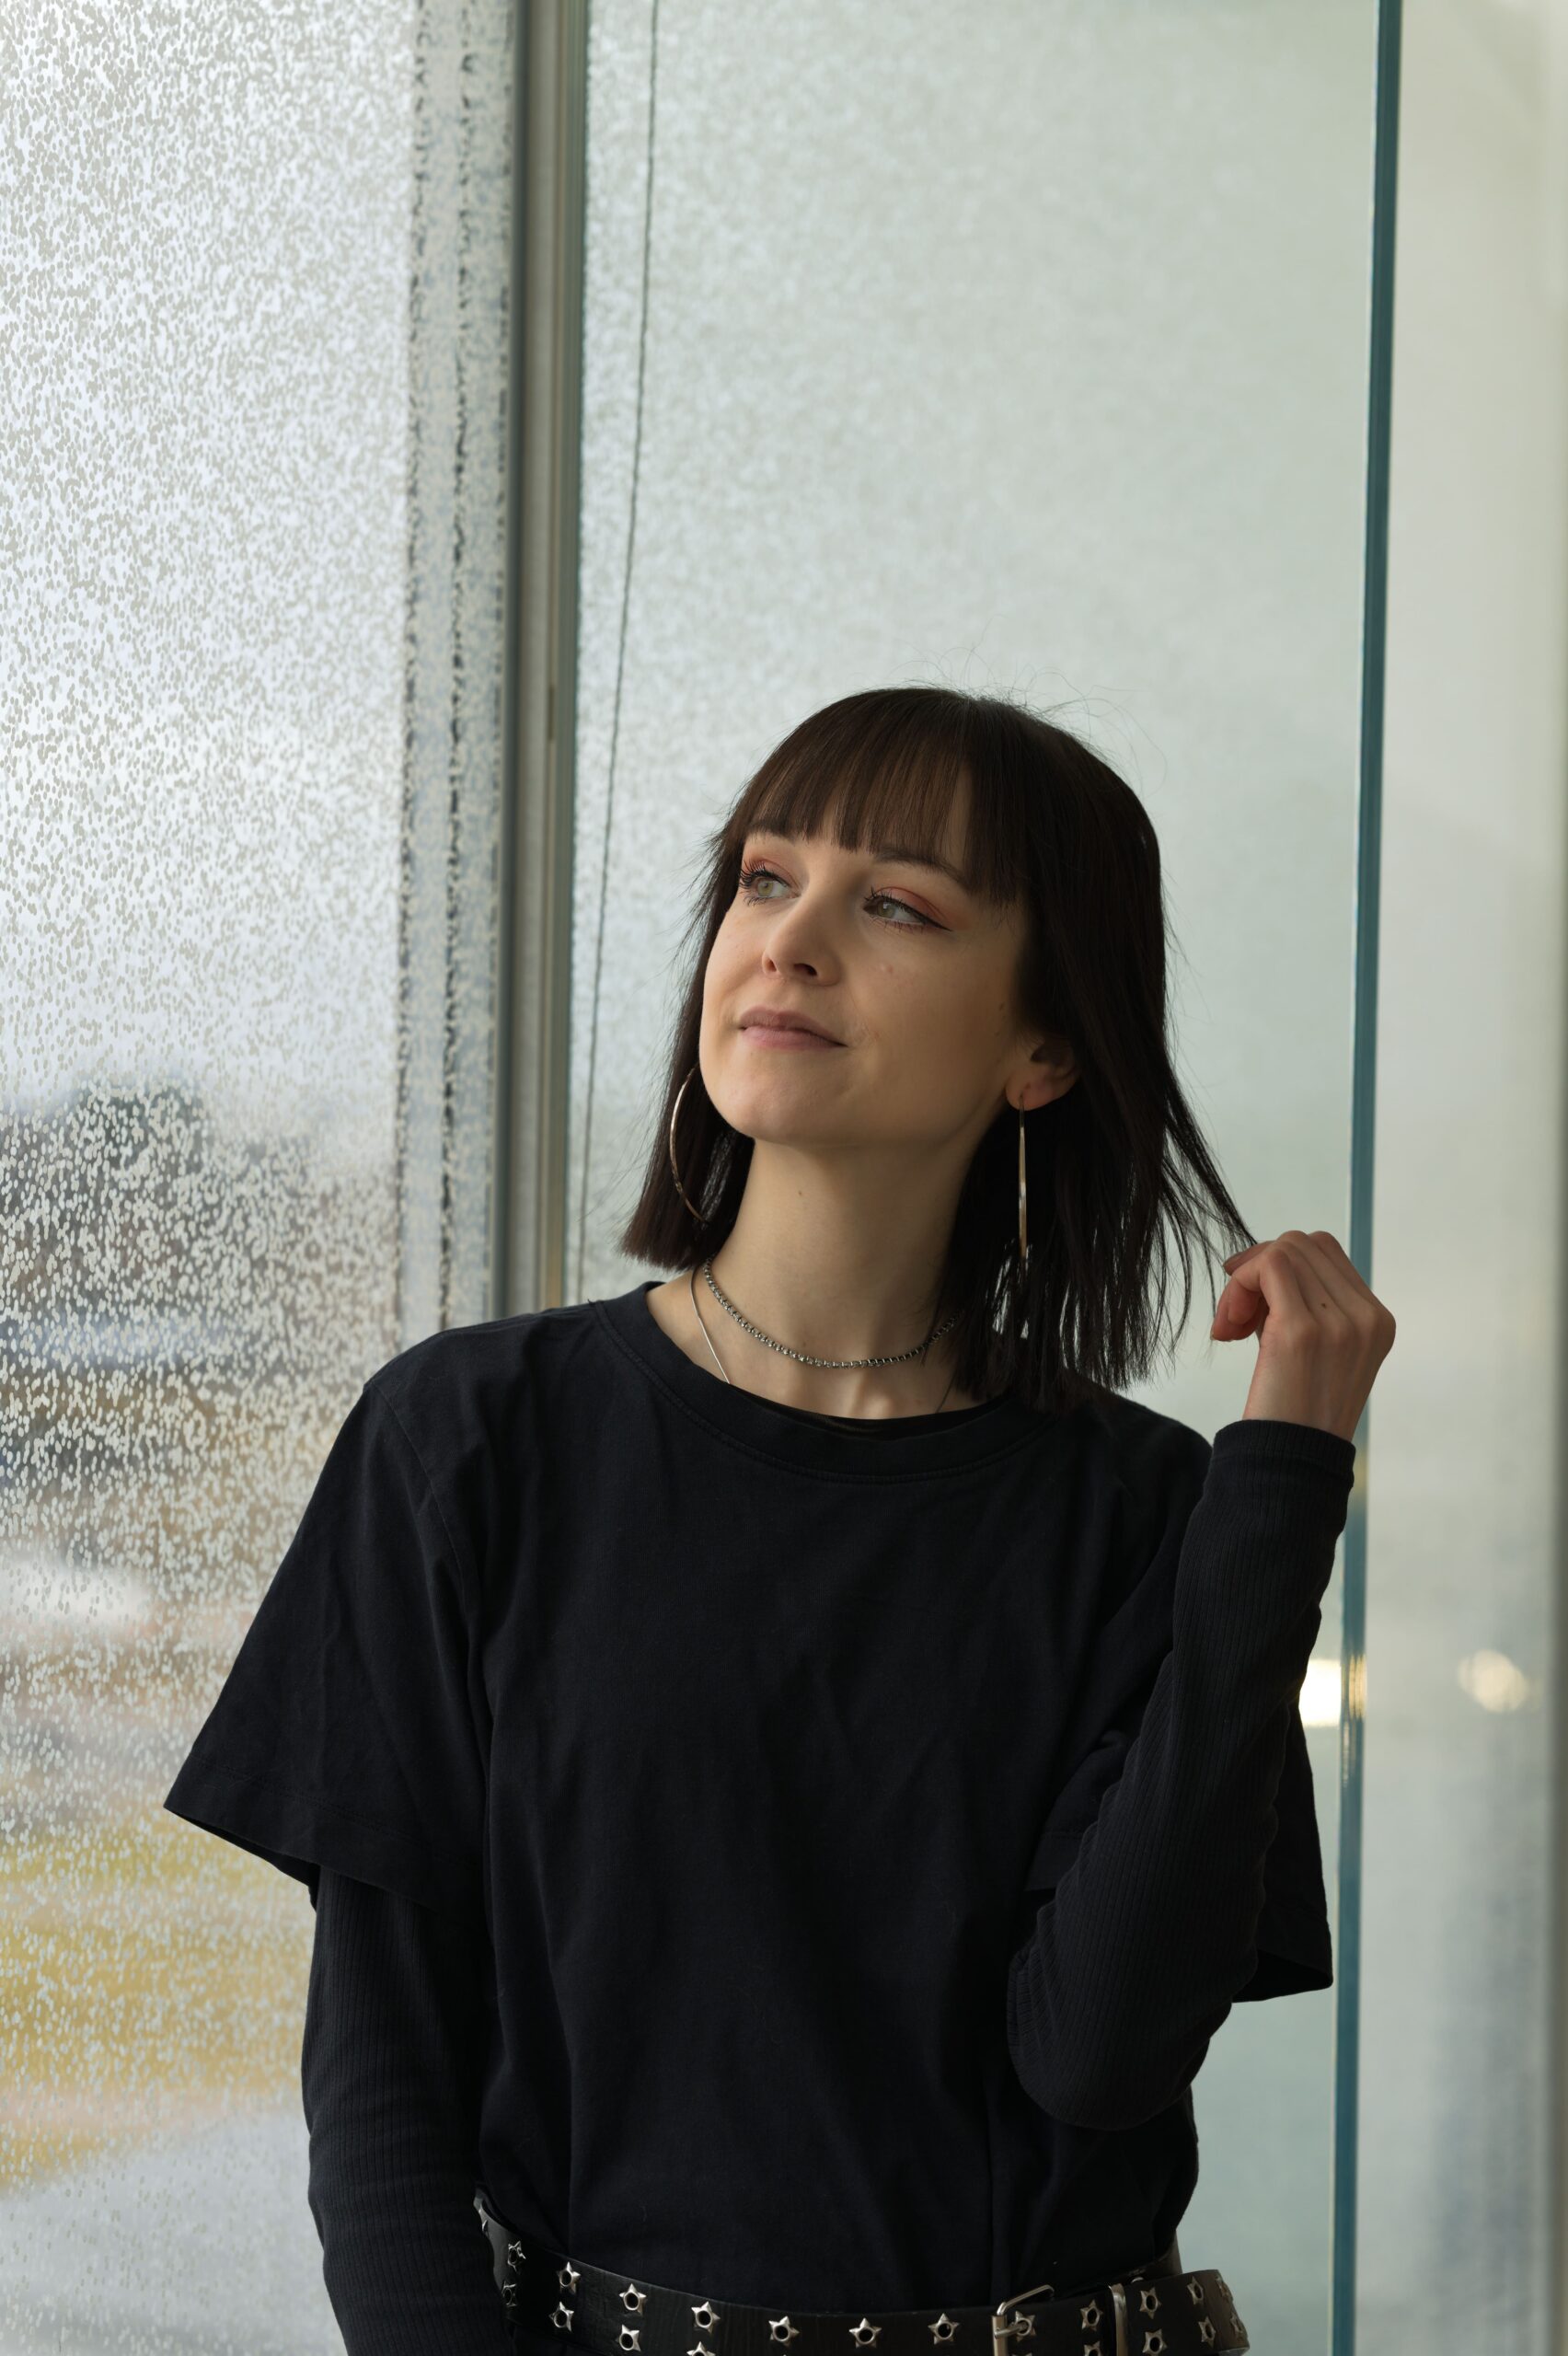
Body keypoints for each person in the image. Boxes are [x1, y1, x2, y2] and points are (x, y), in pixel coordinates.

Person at [164, 685, 1394, 2356]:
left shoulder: (1150, 1510)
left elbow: (1099, 2053)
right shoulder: (470, 1439)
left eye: (896, 904)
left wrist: (1285, 1485)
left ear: (1047, 1047)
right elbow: (386, 2072)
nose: (790, 941)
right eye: (762, 879)